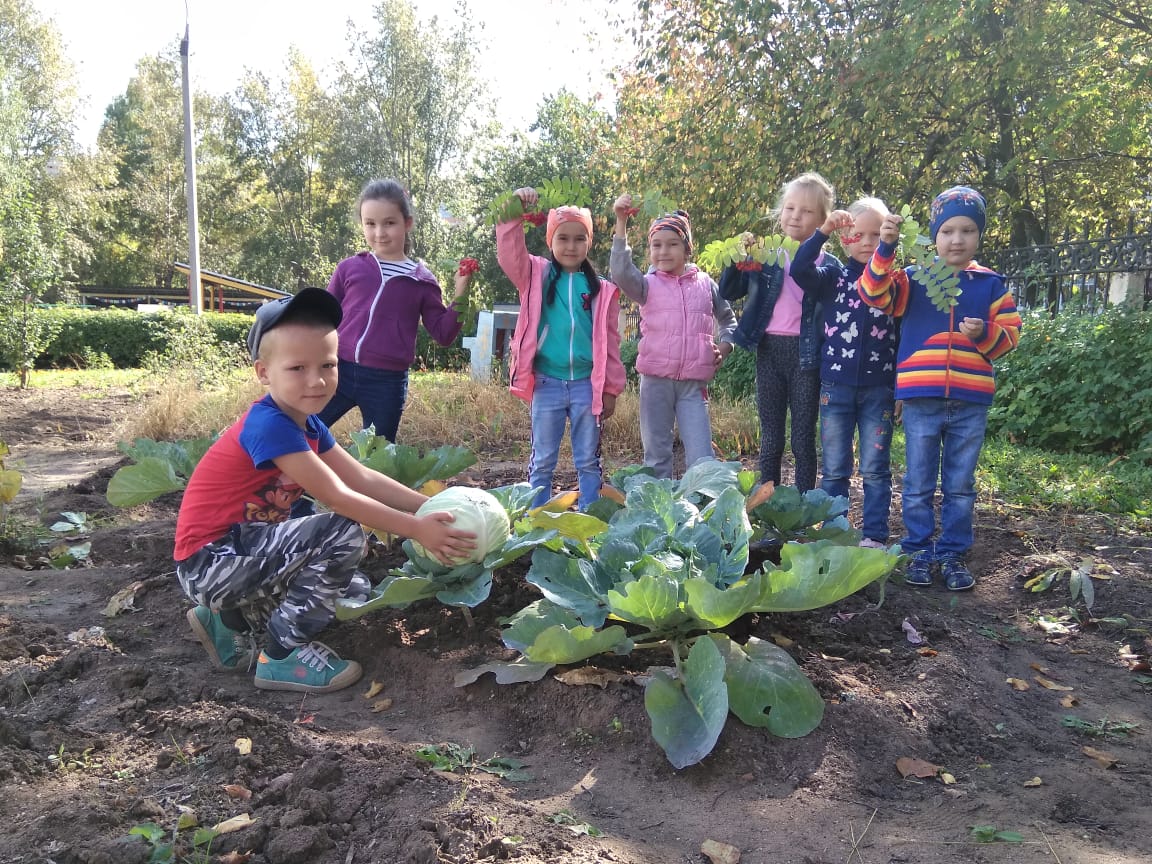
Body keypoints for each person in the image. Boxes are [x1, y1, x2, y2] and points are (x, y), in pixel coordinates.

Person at [174, 288, 476, 692]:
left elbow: (361, 478)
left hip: (238, 554)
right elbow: (338, 496)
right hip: (211, 562)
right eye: (297, 368)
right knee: (342, 532)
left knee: (351, 589)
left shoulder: (306, 422)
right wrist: (417, 529)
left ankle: (228, 620)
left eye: (328, 365)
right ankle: (280, 657)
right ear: (263, 372)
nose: (316, 381)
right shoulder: (270, 425)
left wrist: (432, 505)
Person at [859, 186, 1022, 590]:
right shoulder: (914, 278)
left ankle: (952, 554)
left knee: (960, 485)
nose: (957, 239)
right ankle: (917, 550)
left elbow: (1010, 336)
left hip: (970, 401)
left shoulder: (990, 284)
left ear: (979, 235)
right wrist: (885, 247)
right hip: (921, 399)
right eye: (947, 231)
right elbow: (873, 293)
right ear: (934, 235)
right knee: (917, 483)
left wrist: (984, 333)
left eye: (967, 230)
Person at [496, 187, 626, 510]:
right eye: (563, 238)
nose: (571, 246)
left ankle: (590, 520)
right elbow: (510, 254)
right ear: (550, 241)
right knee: (542, 461)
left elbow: (610, 343)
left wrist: (610, 388)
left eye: (579, 239)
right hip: (547, 383)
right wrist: (513, 211)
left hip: (586, 386)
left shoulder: (601, 290)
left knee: (588, 461)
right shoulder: (535, 275)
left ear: (589, 243)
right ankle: (537, 521)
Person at [319, 178, 472, 442]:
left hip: (386, 382)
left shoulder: (422, 281)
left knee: (378, 454)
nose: (379, 232)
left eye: (389, 223)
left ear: (407, 223)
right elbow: (323, 317)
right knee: (303, 431)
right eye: (370, 223)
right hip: (337, 370)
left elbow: (443, 334)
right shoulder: (349, 268)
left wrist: (461, 294)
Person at [718, 172, 837, 492]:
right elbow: (728, 291)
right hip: (769, 351)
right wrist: (737, 257)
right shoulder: (763, 257)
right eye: (789, 208)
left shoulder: (829, 265)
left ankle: (803, 504)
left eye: (806, 211)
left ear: (823, 221)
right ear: (780, 212)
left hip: (806, 356)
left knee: (802, 438)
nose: (795, 216)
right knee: (771, 437)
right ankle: (767, 500)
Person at [791, 197, 899, 548]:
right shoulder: (833, 277)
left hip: (879, 390)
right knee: (835, 468)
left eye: (876, 235)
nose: (867, 242)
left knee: (875, 468)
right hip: (835, 388)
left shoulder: (894, 283)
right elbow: (799, 269)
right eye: (859, 234)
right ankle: (835, 534)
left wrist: (900, 387)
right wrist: (822, 230)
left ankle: (874, 536)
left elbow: (903, 336)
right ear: (844, 238)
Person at [609, 195, 737, 478]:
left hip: (693, 386)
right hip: (655, 383)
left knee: (702, 458)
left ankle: (701, 503)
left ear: (687, 248)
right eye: (656, 245)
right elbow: (619, 271)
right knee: (657, 456)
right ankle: (659, 504)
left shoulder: (706, 284)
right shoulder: (646, 285)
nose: (663, 251)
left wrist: (725, 346)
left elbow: (729, 321)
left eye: (672, 244)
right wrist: (621, 221)